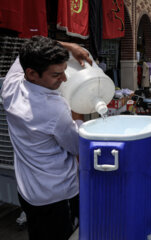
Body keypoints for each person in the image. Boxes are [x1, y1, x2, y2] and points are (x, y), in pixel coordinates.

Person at [1, 36, 92, 240]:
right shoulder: (54, 109)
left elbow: (29, 46)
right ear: (32, 74)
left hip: (28, 192)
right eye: (56, 75)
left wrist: (71, 47)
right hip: (58, 196)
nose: (65, 80)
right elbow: (77, 146)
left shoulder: (11, 85)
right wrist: (79, 104)